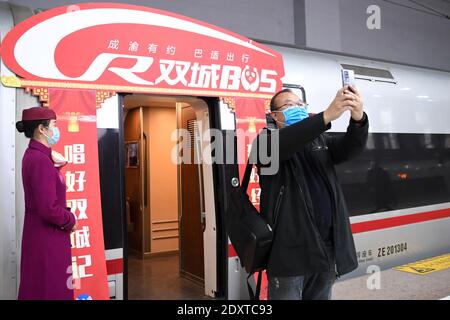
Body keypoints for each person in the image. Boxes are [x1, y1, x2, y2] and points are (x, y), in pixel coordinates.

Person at [251, 86, 368, 300]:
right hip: (291, 253)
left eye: (300, 105)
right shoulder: (264, 144)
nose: (296, 108)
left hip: (326, 249)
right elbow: (286, 143)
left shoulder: (320, 141)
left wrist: (358, 118)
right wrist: (326, 116)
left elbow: (351, 148)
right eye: (289, 105)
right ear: (274, 116)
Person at [16, 106, 77, 300]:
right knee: (50, 288)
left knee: (41, 286)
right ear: (42, 129)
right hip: (48, 238)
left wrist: (58, 165)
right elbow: (48, 209)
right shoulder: (40, 160)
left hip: (40, 235)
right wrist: (71, 219)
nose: (56, 130)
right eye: (54, 125)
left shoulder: (38, 156)